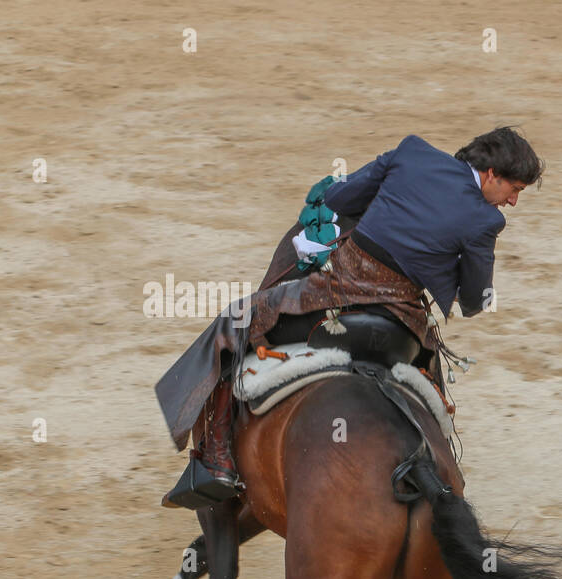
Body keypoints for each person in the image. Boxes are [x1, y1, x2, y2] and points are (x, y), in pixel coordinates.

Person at [157, 126, 541, 509]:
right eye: (515, 190)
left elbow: (339, 197)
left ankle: (217, 460)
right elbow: (474, 302)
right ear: (492, 174)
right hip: (401, 324)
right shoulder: (485, 222)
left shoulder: (411, 152)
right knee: (434, 384)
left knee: (236, 320)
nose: (513, 202)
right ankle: (444, 470)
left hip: (330, 300)